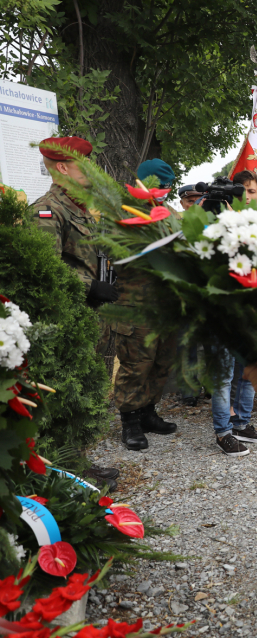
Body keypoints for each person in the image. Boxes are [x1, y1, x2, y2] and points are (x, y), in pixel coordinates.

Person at [31, 136, 121, 487]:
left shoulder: (81, 209)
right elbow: (45, 268)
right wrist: (90, 286)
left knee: (83, 392)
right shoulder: (46, 209)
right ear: (65, 168)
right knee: (64, 396)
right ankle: (61, 473)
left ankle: (77, 462)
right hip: (65, 319)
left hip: (87, 316)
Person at [100, 158, 180, 450]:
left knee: (161, 361)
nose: (165, 191)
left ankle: (148, 413)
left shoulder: (170, 213)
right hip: (136, 305)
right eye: (161, 185)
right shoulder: (122, 211)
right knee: (136, 364)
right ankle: (129, 422)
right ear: (145, 182)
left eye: (168, 187)